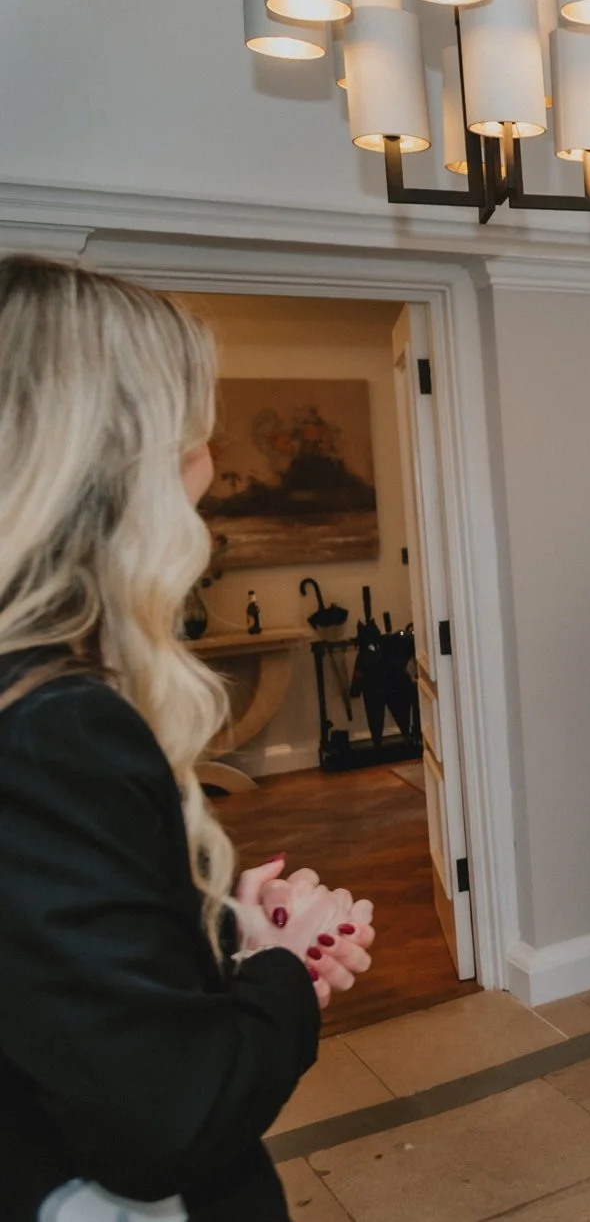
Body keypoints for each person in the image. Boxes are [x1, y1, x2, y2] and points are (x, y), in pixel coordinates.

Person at [0, 255, 377, 1221]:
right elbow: (168, 1116)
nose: (210, 470)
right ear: (117, 459)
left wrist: (209, 923)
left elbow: (51, 966)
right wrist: (279, 976)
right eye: (192, 435)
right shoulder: (58, 728)